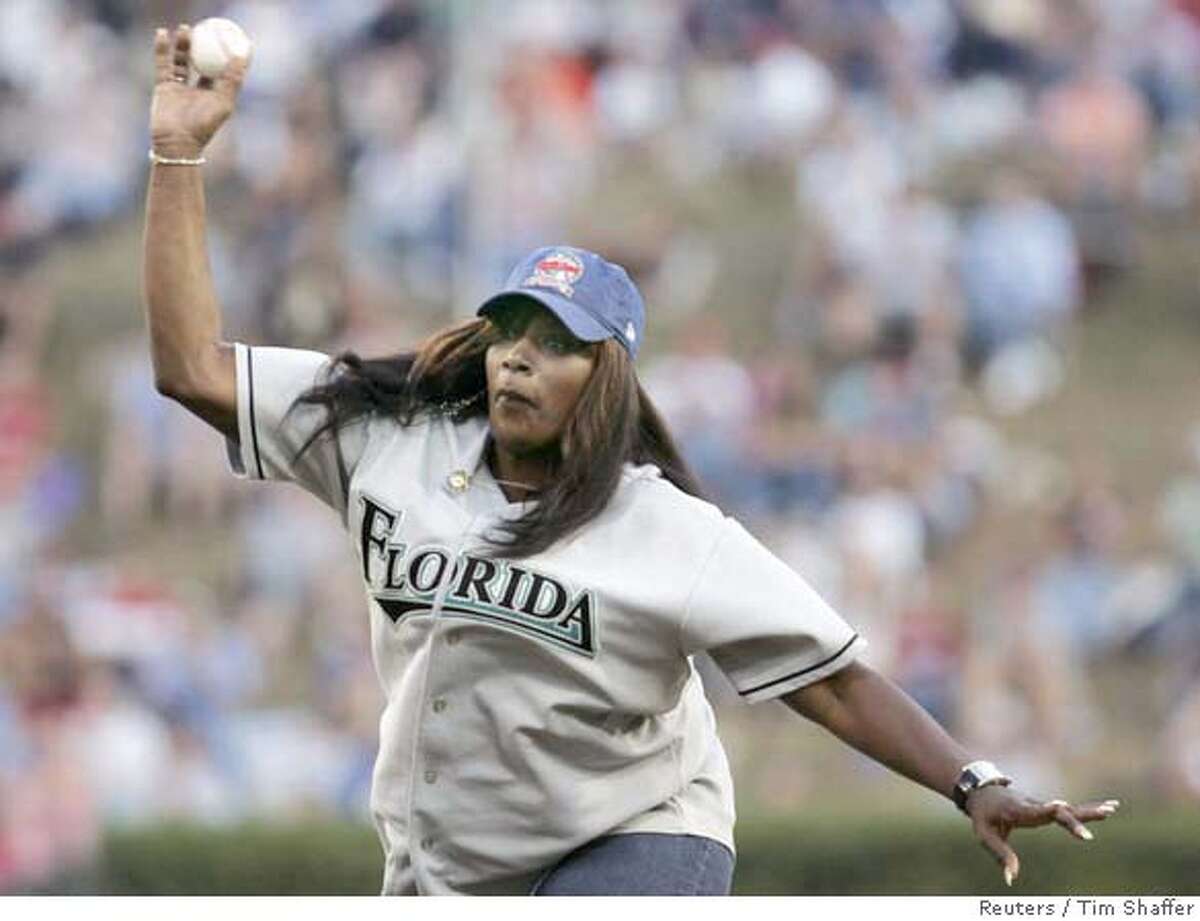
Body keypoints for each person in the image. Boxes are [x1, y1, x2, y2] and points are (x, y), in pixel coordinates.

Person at [142, 24, 1120, 896]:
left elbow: (833, 681)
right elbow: (190, 368)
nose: (521, 355)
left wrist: (973, 781)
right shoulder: (389, 442)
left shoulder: (665, 532)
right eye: (509, 330)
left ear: (607, 381)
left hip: (639, 838)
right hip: (451, 866)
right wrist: (176, 157)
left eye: (557, 342)